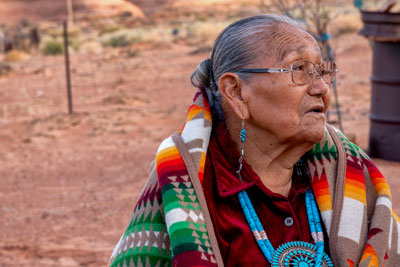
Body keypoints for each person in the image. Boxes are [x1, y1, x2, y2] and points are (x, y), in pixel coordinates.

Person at [109, 14, 400, 267]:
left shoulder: (346, 168)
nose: (321, 88)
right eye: (299, 69)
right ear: (235, 92)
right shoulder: (188, 187)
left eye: (322, 71)